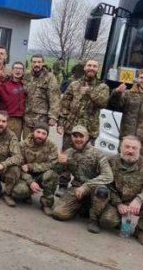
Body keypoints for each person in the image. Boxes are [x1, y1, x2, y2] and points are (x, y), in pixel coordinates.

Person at [94, 135, 143, 246]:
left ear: (139, 150)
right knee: (107, 221)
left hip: (137, 204)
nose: (130, 151)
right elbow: (105, 184)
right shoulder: (111, 161)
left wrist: (139, 199)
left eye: (134, 148)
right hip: (117, 202)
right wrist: (118, 203)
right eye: (127, 147)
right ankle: (119, 221)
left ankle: (140, 232)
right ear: (121, 147)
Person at [57, 59, 110, 192]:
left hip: (89, 130)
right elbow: (65, 103)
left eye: (94, 66)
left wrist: (89, 92)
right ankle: (62, 184)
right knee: (66, 156)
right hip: (71, 127)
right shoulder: (74, 84)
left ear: (97, 69)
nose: (91, 68)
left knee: (87, 160)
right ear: (85, 68)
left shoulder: (102, 87)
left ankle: (81, 186)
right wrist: (61, 122)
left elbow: (103, 103)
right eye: (89, 65)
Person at [51, 125, 113, 232]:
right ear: (71, 137)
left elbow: (108, 176)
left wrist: (86, 186)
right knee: (58, 213)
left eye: (81, 136)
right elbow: (57, 171)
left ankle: (94, 221)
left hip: (94, 188)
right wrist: (60, 162)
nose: (78, 139)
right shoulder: (69, 152)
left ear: (87, 137)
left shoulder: (97, 154)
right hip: (77, 187)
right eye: (75, 136)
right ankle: (82, 207)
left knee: (102, 191)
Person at [10, 123, 59, 215]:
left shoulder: (52, 147)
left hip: (42, 175)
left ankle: (46, 203)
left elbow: (51, 165)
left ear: (47, 135)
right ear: (33, 132)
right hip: (25, 177)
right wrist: (30, 182)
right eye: (38, 132)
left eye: (44, 133)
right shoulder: (23, 145)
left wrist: (31, 166)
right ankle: (27, 194)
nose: (40, 135)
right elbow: (19, 167)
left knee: (52, 175)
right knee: (18, 192)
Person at [23, 54, 60, 138]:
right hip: (27, 118)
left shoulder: (49, 77)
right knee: (26, 141)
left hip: (42, 119)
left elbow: (55, 98)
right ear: (31, 63)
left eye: (39, 62)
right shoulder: (27, 76)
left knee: (40, 142)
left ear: (43, 63)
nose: (36, 64)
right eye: (34, 62)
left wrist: (53, 116)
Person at [0, 61, 25, 139]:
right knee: (1, 140)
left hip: (18, 120)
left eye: (20, 69)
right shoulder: (4, 83)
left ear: (23, 71)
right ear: (12, 70)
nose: (18, 70)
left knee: (15, 141)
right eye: (16, 68)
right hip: (6, 118)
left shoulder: (25, 84)